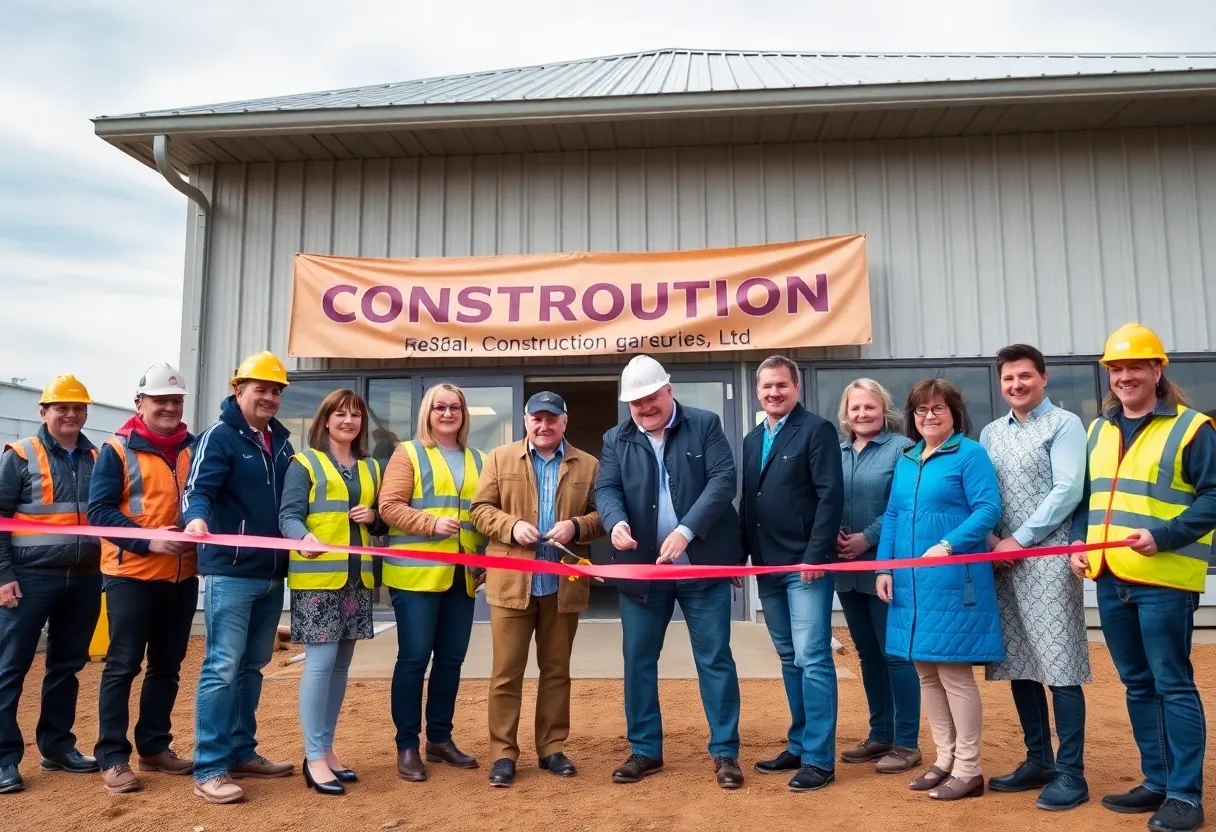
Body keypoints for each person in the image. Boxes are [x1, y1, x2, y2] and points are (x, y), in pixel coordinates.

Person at [1069, 323, 1215, 832]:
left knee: (1173, 684)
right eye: (1117, 368)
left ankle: (1185, 795)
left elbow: (1213, 496)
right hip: (1111, 579)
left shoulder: (1193, 428)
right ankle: (1157, 779)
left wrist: (1166, 535)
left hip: (1164, 581)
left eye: (1135, 366)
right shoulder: (1098, 429)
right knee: (1137, 684)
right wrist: (1080, 544)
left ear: (1157, 371)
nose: (1125, 376)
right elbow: (1087, 499)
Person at [595, 355, 745, 790]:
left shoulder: (705, 424)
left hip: (702, 565)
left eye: (651, 398)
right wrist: (615, 521)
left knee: (714, 658)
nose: (645, 408)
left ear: (668, 390)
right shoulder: (616, 438)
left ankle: (725, 752)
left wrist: (685, 530)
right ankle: (645, 750)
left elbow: (723, 481)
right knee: (638, 659)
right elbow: (606, 487)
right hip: (643, 570)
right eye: (636, 402)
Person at [875, 379, 1002, 802]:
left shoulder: (970, 454)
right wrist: (885, 567)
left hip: (952, 579)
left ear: (953, 412)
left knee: (954, 675)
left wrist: (949, 544)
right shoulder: (908, 458)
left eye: (937, 408)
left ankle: (969, 768)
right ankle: (944, 758)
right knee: (926, 674)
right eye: (921, 410)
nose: (929, 416)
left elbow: (988, 509)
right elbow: (893, 515)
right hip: (910, 582)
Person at [470, 391, 604, 788]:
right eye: (537, 418)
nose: (544, 426)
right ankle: (503, 753)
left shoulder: (589, 464)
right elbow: (480, 510)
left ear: (564, 422)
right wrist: (510, 526)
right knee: (506, 672)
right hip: (512, 582)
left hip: (562, 584)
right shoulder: (499, 459)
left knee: (557, 670)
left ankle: (551, 747)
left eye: (552, 419)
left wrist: (577, 526)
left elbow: (603, 515)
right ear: (526, 421)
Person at [181, 351, 296, 804]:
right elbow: (199, 488)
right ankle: (209, 767)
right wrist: (195, 519)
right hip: (230, 571)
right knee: (223, 667)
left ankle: (241, 751)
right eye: (260, 389)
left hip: (271, 572)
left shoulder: (281, 442)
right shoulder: (220, 436)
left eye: (275, 391)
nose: (268, 397)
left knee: (253, 666)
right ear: (239, 390)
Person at [980, 344, 1090, 812]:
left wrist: (1019, 540)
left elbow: (1068, 489)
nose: (1016, 385)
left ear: (1044, 377)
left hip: (1047, 560)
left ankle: (1072, 773)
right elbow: (983, 491)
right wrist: (991, 539)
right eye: (1008, 378)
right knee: (1020, 664)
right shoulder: (990, 432)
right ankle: (1038, 760)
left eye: (1025, 376)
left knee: (1060, 666)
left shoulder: (1064, 424)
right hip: (1003, 560)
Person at [87, 364, 198, 794]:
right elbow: (99, 512)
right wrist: (149, 541)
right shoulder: (116, 449)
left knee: (167, 667)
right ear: (140, 404)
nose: (170, 407)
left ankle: (154, 747)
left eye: (176, 400)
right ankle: (112, 756)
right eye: (160, 400)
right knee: (122, 666)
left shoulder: (194, 448)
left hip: (181, 576)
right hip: (130, 574)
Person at [740, 357, 844, 792]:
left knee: (813, 657)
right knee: (789, 657)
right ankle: (799, 745)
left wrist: (816, 555)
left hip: (805, 566)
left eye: (782, 385)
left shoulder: (816, 430)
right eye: (767, 386)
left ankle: (819, 759)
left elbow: (830, 496)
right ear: (757, 391)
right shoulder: (752, 438)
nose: (774, 392)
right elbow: (748, 503)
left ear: (796, 387)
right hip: (768, 566)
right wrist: (741, 559)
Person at [278, 388, 386, 796]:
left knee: (340, 668)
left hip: (356, 580)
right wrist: (303, 537)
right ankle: (313, 757)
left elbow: (382, 523)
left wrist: (374, 516)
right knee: (320, 666)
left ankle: (326, 749)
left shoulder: (371, 468)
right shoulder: (305, 463)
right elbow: (288, 515)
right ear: (325, 420)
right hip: (318, 580)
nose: (348, 421)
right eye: (340, 414)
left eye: (355, 415)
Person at [378, 383, 488, 782]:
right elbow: (388, 507)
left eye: (455, 407)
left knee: (451, 659)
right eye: (439, 407)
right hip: (415, 574)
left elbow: (483, 514)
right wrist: (430, 524)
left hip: (463, 575)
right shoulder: (408, 453)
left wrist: (484, 558)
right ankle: (407, 744)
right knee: (414, 659)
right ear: (428, 412)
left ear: (463, 413)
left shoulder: (479, 459)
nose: (447, 413)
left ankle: (439, 739)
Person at [0, 375, 101, 794]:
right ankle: (4, 759)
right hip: (29, 578)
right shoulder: (20, 455)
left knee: (66, 666)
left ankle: (57, 747)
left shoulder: (97, 456)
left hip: (85, 577)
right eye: (62, 407)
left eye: (78, 408)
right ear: (44, 412)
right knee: (10, 667)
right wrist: (3, 576)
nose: (71, 415)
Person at [834, 378, 921, 775]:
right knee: (868, 654)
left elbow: (904, 505)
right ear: (845, 413)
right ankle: (880, 733)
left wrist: (865, 538)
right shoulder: (836, 453)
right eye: (855, 408)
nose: (862, 414)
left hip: (886, 567)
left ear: (882, 410)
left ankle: (907, 742)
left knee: (896, 655)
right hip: (847, 571)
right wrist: (835, 535)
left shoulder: (902, 449)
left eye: (869, 407)